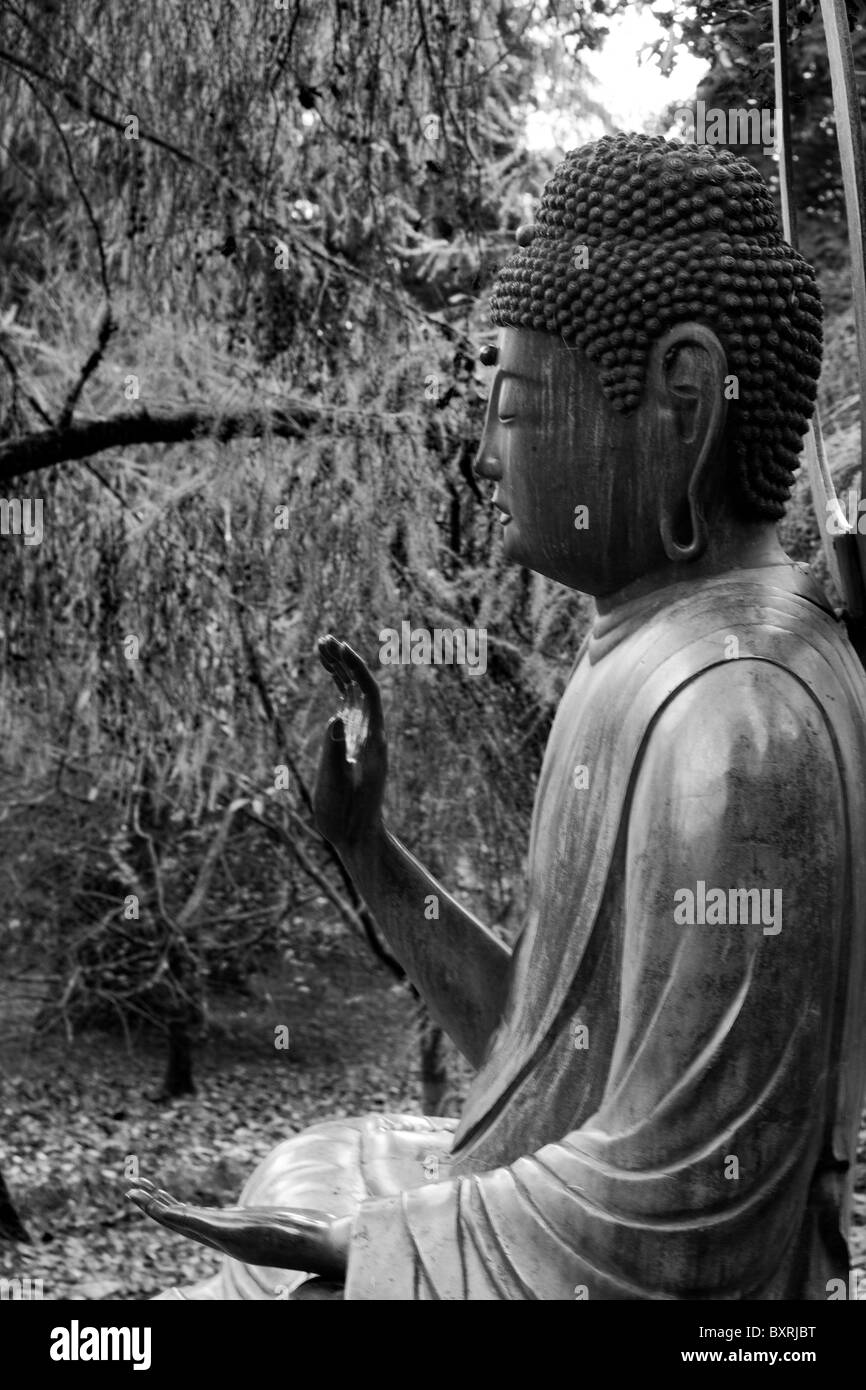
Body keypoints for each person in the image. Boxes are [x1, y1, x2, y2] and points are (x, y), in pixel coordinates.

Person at [129, 133, 866, 1300]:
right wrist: (370, 856)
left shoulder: (739, 718)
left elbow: (695, 1226)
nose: (482, 451)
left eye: (514, 403)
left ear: (678, 402)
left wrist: (374, 1249)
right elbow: (550, 1062)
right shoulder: (646, 648)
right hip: (547, 1215)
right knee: (314, 1160)